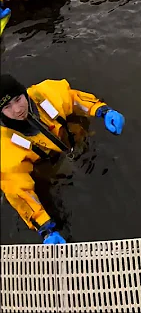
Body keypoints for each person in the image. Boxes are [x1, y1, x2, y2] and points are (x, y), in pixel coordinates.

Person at [0, 74, 125, 244]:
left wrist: (102, 111)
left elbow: (73, 99)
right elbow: (19, 191)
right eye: (7, 106)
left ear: (25, 93)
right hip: (48, 165)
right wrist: (45, 228)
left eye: (18, 99)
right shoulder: (5, 149)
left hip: (72, 141)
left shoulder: (44, 94)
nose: (17, 109)